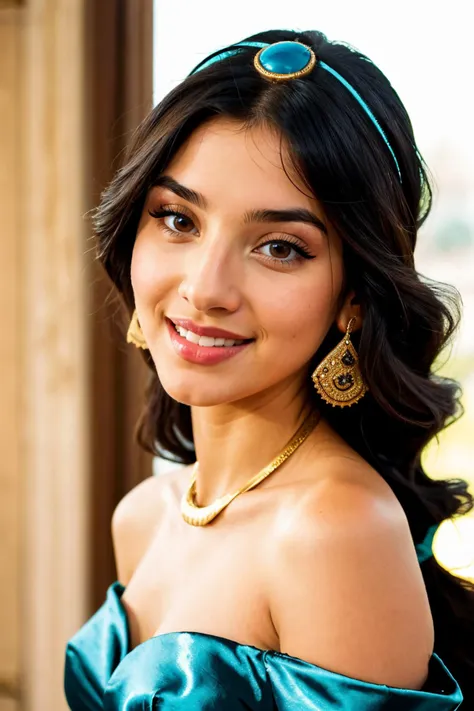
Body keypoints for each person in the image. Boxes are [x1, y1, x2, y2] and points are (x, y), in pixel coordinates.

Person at [64, 29, 473, 709]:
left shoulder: (337, 532)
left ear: (352, 299)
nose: (206, 287)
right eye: (177, 219)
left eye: (280, 247)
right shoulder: (144, 517)